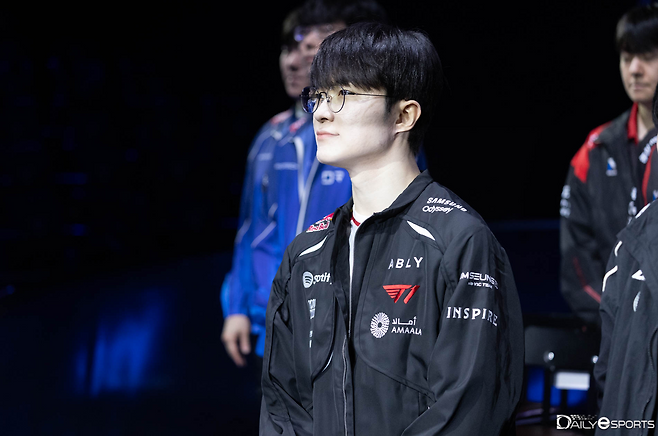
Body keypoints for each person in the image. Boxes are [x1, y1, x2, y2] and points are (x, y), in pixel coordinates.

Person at [259, 22, 524, 436]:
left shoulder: (459, 240)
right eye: (319, 95)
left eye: (343, 94)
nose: (322, 111)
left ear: (403, 115)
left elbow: (469, 409)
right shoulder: (304, 254)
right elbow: (282, 407)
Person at [220, 0, 389, 369]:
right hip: (276, 327)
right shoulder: (269, 137)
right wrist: (237, 307)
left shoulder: (376, 132)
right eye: (289, 48)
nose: (294, 62)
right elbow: (252, 230)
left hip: (351, 328)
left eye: (312, 49)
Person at [560, 3, 658, 327]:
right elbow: (577, 267)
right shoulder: (595, 151)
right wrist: (623, 322)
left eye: (648, 56)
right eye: (627, 58)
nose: (635, 69)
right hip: (614, 336)